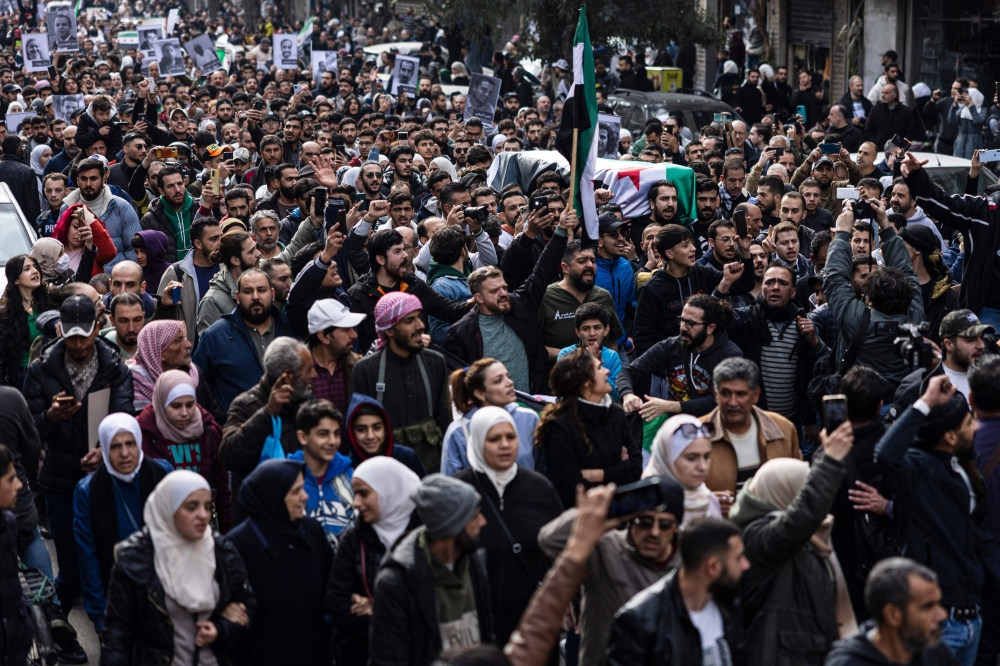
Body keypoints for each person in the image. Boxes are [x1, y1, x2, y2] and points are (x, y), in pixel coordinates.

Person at [22, 294, 132, 663]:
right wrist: (51, 417)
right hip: (61, 480)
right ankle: (56, 636)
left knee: (106, 563)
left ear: (98, 328)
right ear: (61, 332)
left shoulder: (115, 367)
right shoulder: (42, 369)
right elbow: (31, 435)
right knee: (68, 568)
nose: (80, 344)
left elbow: (125, 420)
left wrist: (105, 451)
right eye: (72, 337)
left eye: (85, 335)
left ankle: (114, 642)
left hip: (105, 481)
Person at [876, 375, 1000, 666]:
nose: (977, 427)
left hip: (974, 621)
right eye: (969, 423)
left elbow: (983, 541)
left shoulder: (968, 473)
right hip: (937, 625)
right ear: (950, 436)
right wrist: (926, 402)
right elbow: (885, 455)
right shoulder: (917, 470)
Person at [728, 424, 858, 666]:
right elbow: (798, 522)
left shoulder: (813, 541)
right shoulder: (756, 538)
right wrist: (829, 462)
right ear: (785, 494)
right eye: (800, 490)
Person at [101, 470, 255, 665]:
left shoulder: (221, 550)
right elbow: (117, 635)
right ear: (168, 508)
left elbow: (247, 605)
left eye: (208, 507)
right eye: (191, 507)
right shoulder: (134, 558)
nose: (203, 515)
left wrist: (222, 628)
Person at [538, 474, 684, 666]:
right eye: (645, 522)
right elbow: (549, 541)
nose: (654, 532)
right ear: (631, 519)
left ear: (676, 528)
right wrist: (605, 509)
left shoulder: (688, 562)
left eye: (665, 525)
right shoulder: (606, 549)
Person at [454, 407, 563, 645]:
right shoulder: (459, 491)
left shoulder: (539, 488)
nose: (505, 445)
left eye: (511, 437)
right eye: (494, 439)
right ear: (478, 441)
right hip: (475, 624)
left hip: (532, 624)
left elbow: (559, 550)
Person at [369, 473, 493, 664]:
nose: (483, 522)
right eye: (474, 517)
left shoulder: (473, 562)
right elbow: (388, 658)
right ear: (452, 526)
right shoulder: (397, 582)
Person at [228, 459, 334, 666]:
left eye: (303, 488)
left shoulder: (311, 531)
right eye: (296, 491)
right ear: (273, 496)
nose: (305, 497)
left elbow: (333, 583)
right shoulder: (239, 544)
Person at [73, 414, 171, 634]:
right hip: (116, 596)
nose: (125, 453)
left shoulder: (162, 473)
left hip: (162, 591)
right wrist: (99, 614)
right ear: (105, 450)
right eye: (116, 446)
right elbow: (88, 555)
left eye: (130, 443)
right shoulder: (89, 491)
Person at [605, 518, 750, 666]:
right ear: (712, 567)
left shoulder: (729, 603)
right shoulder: (641, 621)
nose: (746, 564)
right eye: (738, 558)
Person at [326, 457, 422, 665]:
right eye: (355, 493)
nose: (356, 503)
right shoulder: (353, 540)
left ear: (389, 490)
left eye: (364, 494)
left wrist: (376, 609)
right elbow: (336, 599)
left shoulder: (424, 535)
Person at [349, 292, 452, 473]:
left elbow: (445, 420)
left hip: (431, 471)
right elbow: (358, 431)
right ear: (389, 329)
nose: (420, 326)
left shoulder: (435, 362)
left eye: (419, 318)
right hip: (385, 473)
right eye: (409, 320)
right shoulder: (365, 370)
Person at [219, 337, 316, 523]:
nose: (314, 376)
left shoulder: (307, 404)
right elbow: (228, 454)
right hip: (259, 522)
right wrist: (266, 415)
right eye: (308, 370)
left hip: (303, 513)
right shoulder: (246, 406)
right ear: (288, 375)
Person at [536, 348, 641, 508]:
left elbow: (636, 467)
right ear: (585, 381)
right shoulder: (559, 426)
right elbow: (571, 488)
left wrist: (600, 474)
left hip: (621, 513)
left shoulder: (616, 414)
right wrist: (619, 469)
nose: (607, 372)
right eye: (599, 368)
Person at [633, 224, 755, 354]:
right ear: (669, 253)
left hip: (703, 359)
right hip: (671, 367)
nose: (693, 249)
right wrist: (664, 370)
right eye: (685, 246)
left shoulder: (699, 272)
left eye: (692, 243)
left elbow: (744, 284)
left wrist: (745, 252)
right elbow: (643, 339)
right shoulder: (651, 289)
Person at [620, 293, 742, 420]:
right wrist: (627, 394)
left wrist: (671, 406)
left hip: (713, 428)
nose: (682, 328)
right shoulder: (671, 345)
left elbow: (716, 401)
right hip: (677, 428)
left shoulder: (730, 356)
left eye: (690, 323)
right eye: (682, 320)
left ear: (710, 328)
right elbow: (629, 371)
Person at [137, 370, 230, 531]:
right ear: (161, 403)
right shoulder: (143, 433)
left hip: (202, 525)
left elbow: (222, 489)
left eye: (190, 405)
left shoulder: (208, 432)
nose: (185, 413)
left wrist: (227, 532)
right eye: (176, 406)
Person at [193, 268, 295, 413]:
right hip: (235, 430)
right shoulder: (216, 336)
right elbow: (199, 386)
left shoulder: (289, 331)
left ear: (272, 294)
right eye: (248, 291)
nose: (255, 297)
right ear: (238, 297)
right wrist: (219, 423)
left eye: (261, 290)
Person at [700, 357, 801, 503]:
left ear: (755, 395)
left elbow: (799, 490)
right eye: (726, 394)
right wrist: (706, 503)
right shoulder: (696, 433)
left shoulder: (783, 430)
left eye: (741, 394)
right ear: (716, 394)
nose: (733, 402)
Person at [825, 557, 956, 666]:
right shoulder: (848, 663)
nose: (942, 615)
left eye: (938, 603)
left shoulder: (935, 651)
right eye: (927, 607)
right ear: (892, 615)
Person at [441, 360, 540, 475]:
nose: (509, 383)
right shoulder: (458, 431)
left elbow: (541, 469)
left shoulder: (529, 418)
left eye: (508, 376)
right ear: (480, 393)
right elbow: (451, 483)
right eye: (498, 380)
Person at [288, 399, 355, 547]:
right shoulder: (287, 478)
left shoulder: (351, 477)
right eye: (323, 434)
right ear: (302, 437)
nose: (332, 441)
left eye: (336, 434)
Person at [0, 254, 54, 389]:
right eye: (27, 269)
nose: (35, 271)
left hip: (52, 371)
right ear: (16, 280)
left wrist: (89, 246)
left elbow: (79, 282)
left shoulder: (51, 300)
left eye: (36, 267)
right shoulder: (5, 313)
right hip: (23, 376)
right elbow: (2, 357)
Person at [343, 394, 427, 478]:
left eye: (377, 428)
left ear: (386, 429)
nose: (370, 436)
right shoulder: (347, 468)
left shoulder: (406, 457)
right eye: (361, 429)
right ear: (351, 432)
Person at [128, 320, 202, 413]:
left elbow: (213, 418)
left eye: (184, 339)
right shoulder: (131, 381)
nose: (189, 345)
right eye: (179, 341)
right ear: (159, 352)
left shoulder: (193, 373)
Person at [307, 298, 364, 416]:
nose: (354, 335)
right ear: (323, 336)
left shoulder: (358, 366)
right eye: (346, 329)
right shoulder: (297, 373)